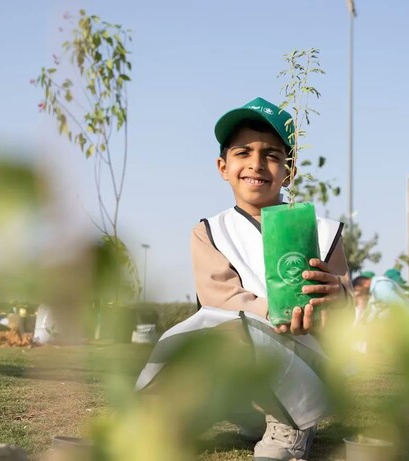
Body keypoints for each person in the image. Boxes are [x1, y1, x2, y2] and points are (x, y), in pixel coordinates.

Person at [135, 97, 351, 461]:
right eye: (243, 152)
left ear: (290, 170)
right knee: (203, 335)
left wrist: (336, 298)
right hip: (237, 364)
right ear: (223, 166)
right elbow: (221, 300)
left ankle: (290, 423)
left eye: (271, 154)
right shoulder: (211, 231)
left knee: (257, 338)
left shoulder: (322, 231)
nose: (256, 164)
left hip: (305, 361)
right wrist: (278, 312)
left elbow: (346, 305)